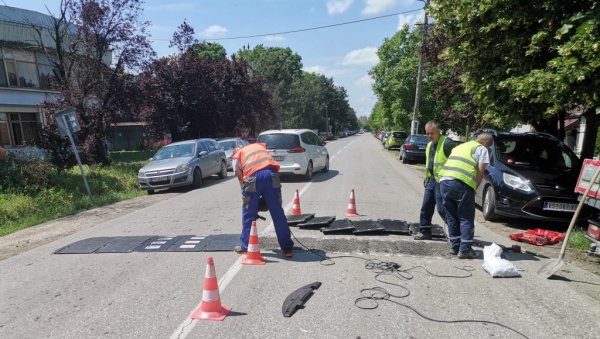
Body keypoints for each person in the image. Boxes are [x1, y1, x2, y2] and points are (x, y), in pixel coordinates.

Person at [232, 142, 294, 257]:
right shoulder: (258, 146)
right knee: (277, 213)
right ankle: (287, 248)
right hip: (271, 175)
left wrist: (246, 196)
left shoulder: (237, 156)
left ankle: (246, 246)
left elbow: (240, 177)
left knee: (248, 213)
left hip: (253, 177)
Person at [439, 133, 493, 259]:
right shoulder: (482, 149)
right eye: (489, 146)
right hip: (461, 183)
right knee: (466, 217)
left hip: (444, 182)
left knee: (451, 216)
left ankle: (454, 247)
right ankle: (465, 250)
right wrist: (474, 188)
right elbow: (480, 172)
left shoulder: (460, 147)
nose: (488, 148)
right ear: (485, 143)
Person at [413, 121, 455, 240]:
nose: (430, 136)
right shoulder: (429, 145)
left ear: (439, 131)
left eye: (432, 133)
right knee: (426, 206)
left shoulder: (447, 143)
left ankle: (456, 233)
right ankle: (425, 231)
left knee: (442, 208)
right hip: (432, 180)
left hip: (443, 181)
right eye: (427, 133)